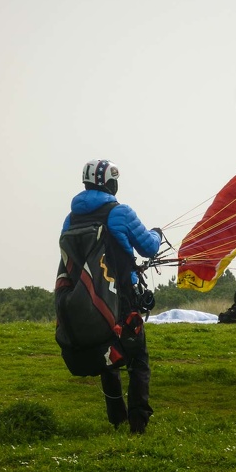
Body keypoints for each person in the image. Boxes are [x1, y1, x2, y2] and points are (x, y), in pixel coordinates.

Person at [57, 159, 162, 434]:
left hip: (91, 301)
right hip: (122, 299)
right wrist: (157, 234)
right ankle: (138, 423)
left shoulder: (71, 219)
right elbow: (149, 247)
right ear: (111, 183)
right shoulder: (119, 212)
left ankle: (117, 418)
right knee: (138, 357)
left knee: (107, 352)